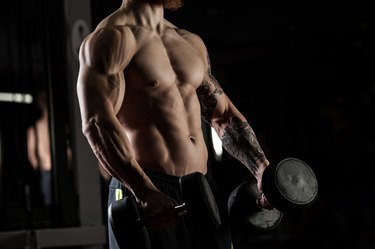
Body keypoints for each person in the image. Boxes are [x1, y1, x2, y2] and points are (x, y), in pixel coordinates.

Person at [76, 0, 270, 248]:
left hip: (201, 188)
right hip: (147, 192)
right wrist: (143, 191)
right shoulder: (111, 38)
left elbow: (223, 115)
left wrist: (261, 167)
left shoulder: (189, 41)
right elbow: (97, 122)